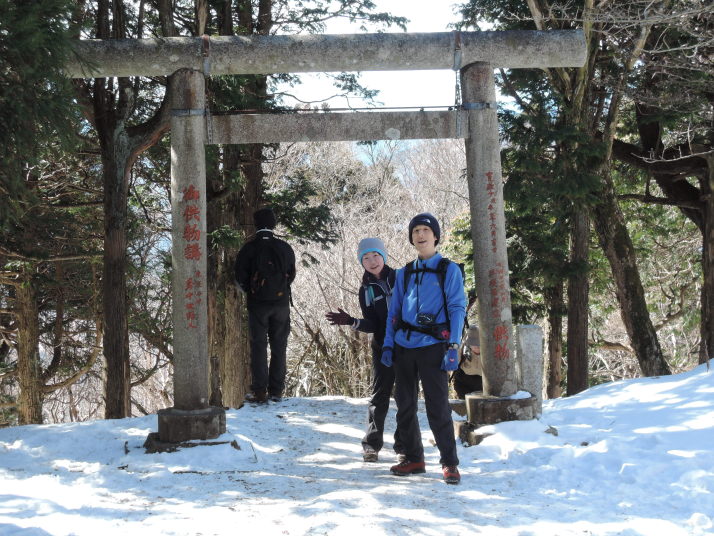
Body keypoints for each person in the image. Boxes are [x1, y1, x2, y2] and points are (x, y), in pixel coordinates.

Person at [381, 212, 466, 484]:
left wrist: (453, 344)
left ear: (436, 236)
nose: (420, 235)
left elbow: (457, 307)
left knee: (437, 406)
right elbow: (393, 312)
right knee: (405, 405)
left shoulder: (448, 270)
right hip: (404, 346)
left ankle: (449, 463)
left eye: (425, 230)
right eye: (415, 230)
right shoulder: (404, 273)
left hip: (434, 346)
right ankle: (414, 458)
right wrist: (388, 343)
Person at [325, 238, 405, 463]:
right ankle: (371, 445)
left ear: (384, 256)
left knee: (405, 396)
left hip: (407, 345)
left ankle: (404, 446)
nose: (372, 261)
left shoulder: (401, 278)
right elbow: (373, 324)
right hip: (382, 347)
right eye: (366, 258)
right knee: (380, 395)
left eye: (375, 255)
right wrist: (352, 321)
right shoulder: (366, 290)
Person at [235, 207, 296, 404]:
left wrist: (251, 291)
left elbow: (239, 276)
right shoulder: (285, 247)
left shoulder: (249, 248)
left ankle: (259, 391)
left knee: (258, 346)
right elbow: (291, 274)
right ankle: (277, 391)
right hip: (281, 304)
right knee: (279, 346)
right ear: (273, 224)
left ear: (256, 224)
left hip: (257, 305)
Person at [452, 326, 483, 399]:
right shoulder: (461, 350)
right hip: (464, 382)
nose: (476, 347)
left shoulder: (490, 351)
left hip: (483, 383)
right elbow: (452, 364)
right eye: (473, 344)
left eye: (478, 344)